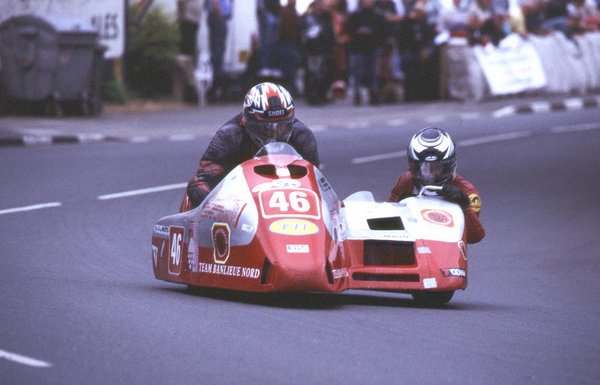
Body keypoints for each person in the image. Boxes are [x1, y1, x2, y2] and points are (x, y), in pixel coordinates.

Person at [186, 82, 320, 208]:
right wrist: (219, 208)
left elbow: (315, 182)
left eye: (281, 127)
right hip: (235, 203)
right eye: (265, 128)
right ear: (247, 122)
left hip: (286, 201)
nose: (274, 135)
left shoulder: (302, 136)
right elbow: (199, 182)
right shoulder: (229, 136)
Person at [387, 127, 485, 244]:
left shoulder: (467, 190)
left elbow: (475, 237)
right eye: (424, 167)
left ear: (449, 165)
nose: (430, 174)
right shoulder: (406, 181)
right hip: (415, 245)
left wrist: (464, 206)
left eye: (436, 167)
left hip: (447, 249)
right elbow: (388, 220)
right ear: (414, 166)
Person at [344, 0, 387, 105]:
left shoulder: (377, 15)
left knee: (373, 73)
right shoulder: (355, 15)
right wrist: (358, 32)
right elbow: (348, 29)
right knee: (358, 72)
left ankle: (374, 95)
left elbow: (383, 31)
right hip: (358, 48)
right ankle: (357, 95)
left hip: (372, 47)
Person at [206, 0, 233, 101]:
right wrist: (220, 15)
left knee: (219, 51)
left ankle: (218, 85)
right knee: (218, 53)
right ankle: (216, 86)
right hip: (217, 18)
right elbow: (214, 3)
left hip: (220, 18)